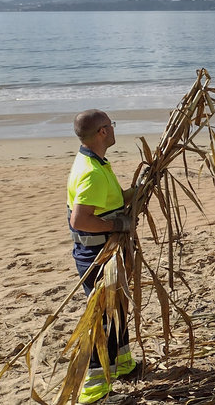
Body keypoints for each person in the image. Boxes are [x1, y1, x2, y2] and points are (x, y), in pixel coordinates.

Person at [66, 109, 139, 403]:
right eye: (111, 125)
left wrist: (138, 190)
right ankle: (94, 390)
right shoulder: (91, 172)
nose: (113, 129)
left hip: (108, 250)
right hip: (97, 253)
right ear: (102, 132)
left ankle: (122, 365)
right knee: (104, 318)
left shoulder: (98, 163)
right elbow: (80, 220)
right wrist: (116, 225)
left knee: (118, 308)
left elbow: (114, 198)